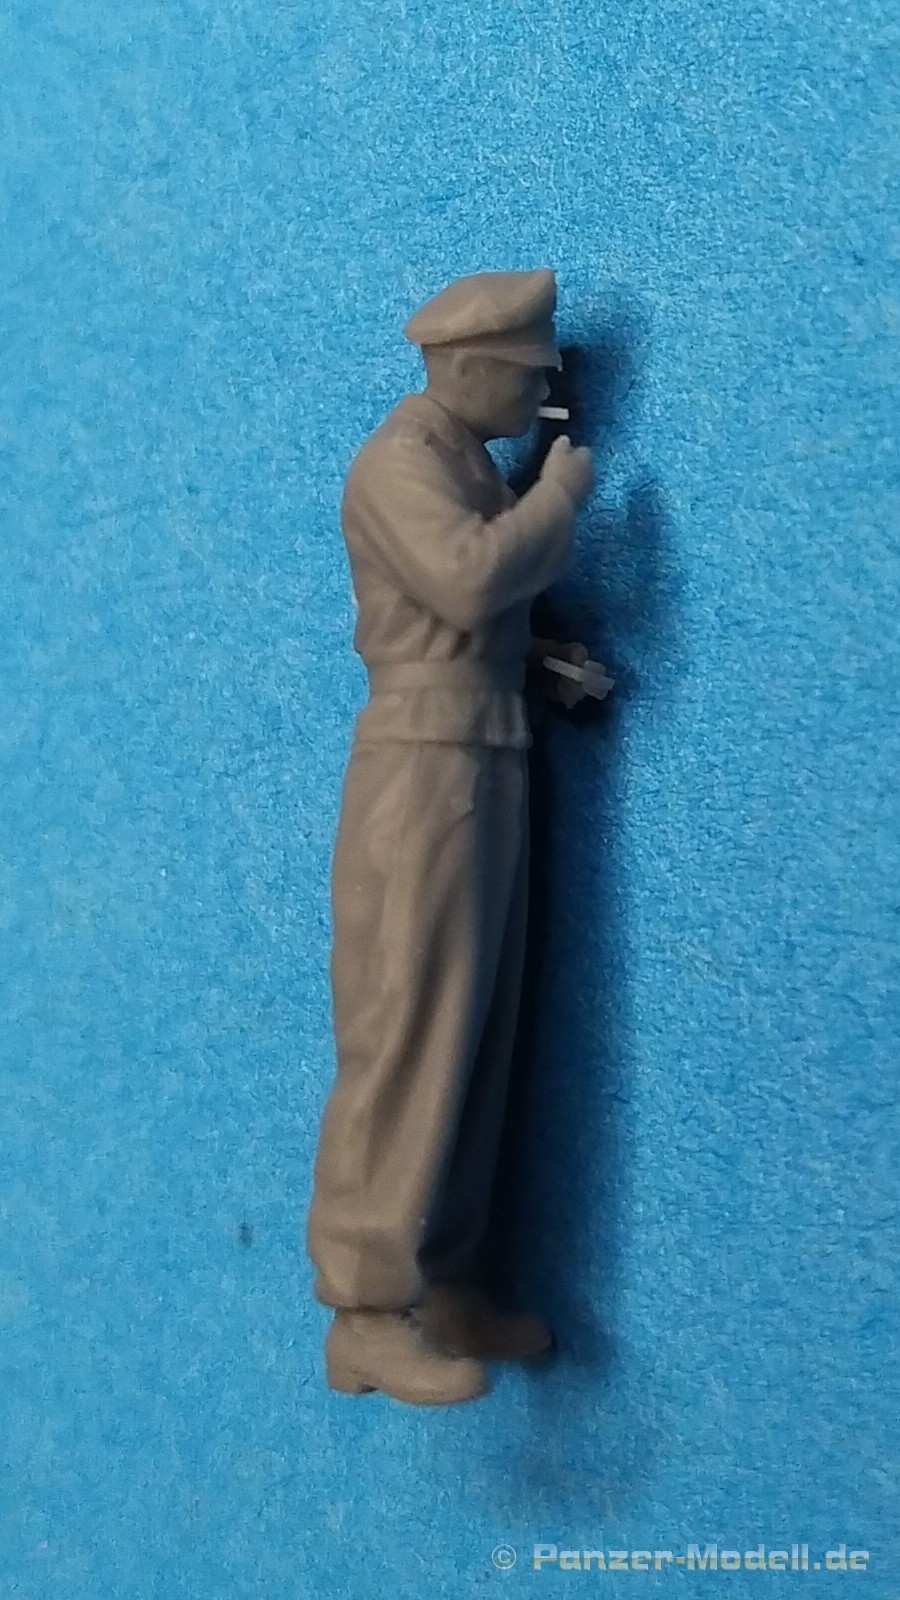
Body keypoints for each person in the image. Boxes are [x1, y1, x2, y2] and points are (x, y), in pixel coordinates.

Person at [306, 269, 596, 1404]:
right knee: (408, 1023)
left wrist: (544, 662)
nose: (536, 400)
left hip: (484, 748)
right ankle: (365, 1310)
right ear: (470, 366)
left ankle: (448, 1277)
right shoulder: (400, 462)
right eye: (528, 378)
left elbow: (471, 625)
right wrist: (556, 502)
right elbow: (468, 584)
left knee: (478, 1033)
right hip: (422, 768)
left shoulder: (464, 458)